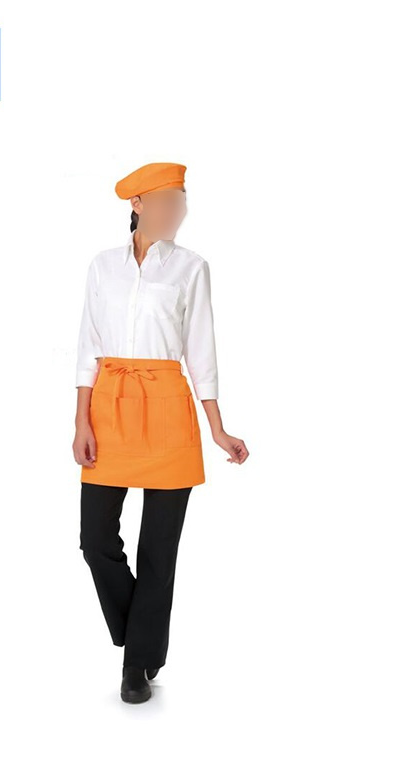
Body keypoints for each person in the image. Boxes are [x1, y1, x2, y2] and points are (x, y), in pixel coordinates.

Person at [72, 162, 249, 703]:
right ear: (138, 205)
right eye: (168, 200)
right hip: (110, 404)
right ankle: (141, 637)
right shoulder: (103, 266)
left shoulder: (191, 268)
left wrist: (217, 427)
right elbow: (88, 346)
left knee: (158, 549)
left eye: (182, 200)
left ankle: (136, 667)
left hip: (169, 406)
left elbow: (201, 349)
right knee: (95, 540)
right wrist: (81, 420)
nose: (179, 210)